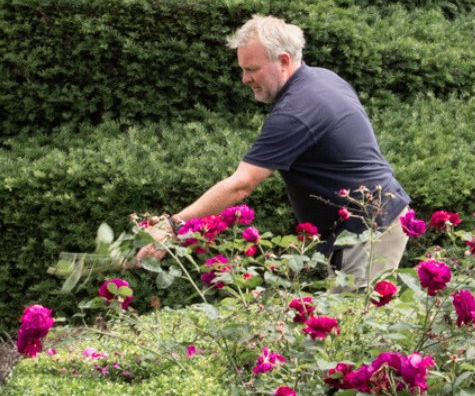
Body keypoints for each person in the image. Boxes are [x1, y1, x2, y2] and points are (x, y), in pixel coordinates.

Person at [137, 15, 410, 281]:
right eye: (243, 69)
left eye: (252, 69)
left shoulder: (297, 111)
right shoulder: (323, 79)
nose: (244, 79)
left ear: (284, 61)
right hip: (373, 222)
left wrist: (173, 225)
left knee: (349, 312)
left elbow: (241, 184)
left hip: (369, 230)